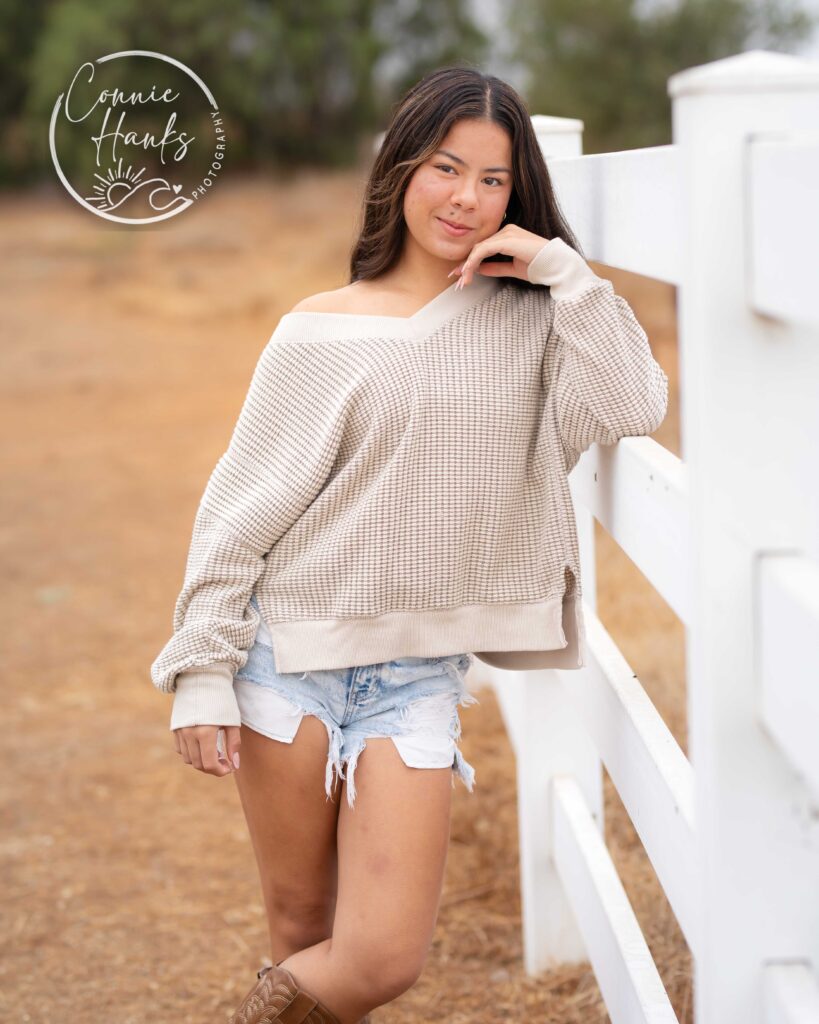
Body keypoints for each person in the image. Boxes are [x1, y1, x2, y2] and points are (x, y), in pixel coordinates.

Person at [150, 65, 668, 1024]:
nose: (465, 199)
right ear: (398, 172)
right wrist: (202, 668)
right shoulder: (317, 328)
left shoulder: (535, 321)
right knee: (300, 923)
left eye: (493, 179)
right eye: (444, 168)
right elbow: (240, 510)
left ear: (519, 195)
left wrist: (566, 272)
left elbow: (635, 403)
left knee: (381, 958)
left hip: (416, 678)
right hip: (286, 656)